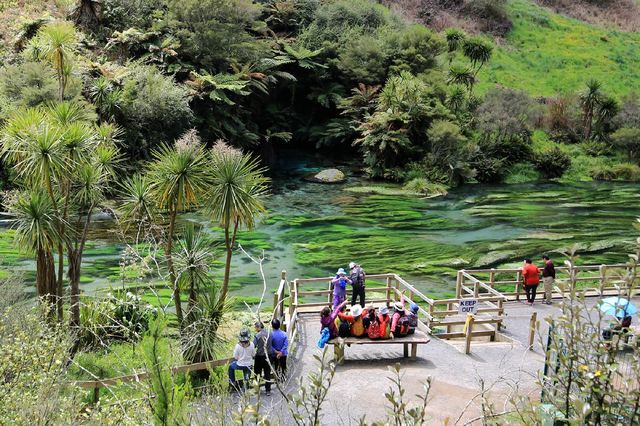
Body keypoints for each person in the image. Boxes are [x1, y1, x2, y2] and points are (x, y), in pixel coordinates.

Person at [253, 321, 273, 395]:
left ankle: (257, 389)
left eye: (256, 327)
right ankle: (268, 390)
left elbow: (253, 346)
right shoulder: (269, 333)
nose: (255, 329)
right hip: (269, 356)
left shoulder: (257, 335)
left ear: (258, 327)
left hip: (260, 356)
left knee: (257, 373)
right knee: (267, 373)